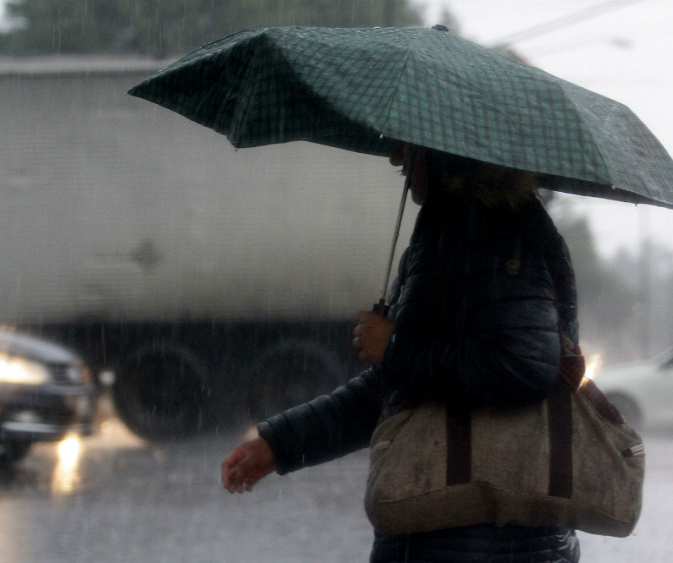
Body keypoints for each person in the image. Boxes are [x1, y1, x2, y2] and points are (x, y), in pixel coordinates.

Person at [221, 141, 582, 563]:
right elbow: (400, 387)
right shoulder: (452, 232)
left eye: (407, 147)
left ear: (447, 145)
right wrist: (280, 444)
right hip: (452, 534)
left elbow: (524, 366)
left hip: (485, 543)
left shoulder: (493, 231)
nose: (396, 158)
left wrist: (395, 345)